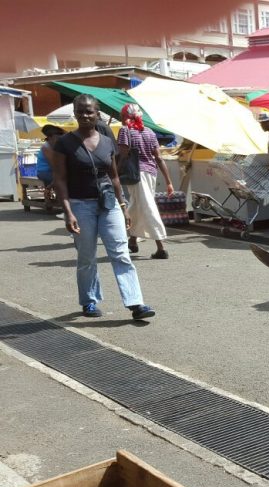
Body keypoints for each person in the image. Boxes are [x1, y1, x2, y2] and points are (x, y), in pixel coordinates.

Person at [51, 94, 156, 321]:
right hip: (80, 205)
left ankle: (136, 303)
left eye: (89, 111)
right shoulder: (65, 143)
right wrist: (68, 212)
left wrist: (123, 206)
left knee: (121, 253)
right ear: (75, 114)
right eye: (80, 111)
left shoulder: (108, 142)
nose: (84, 115)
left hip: (109, 204)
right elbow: (59, 179)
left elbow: (114, 177)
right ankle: (89, 301)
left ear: (97, 113)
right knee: (87, 256)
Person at [117, 103, 174, 259]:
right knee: (137, 205)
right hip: (151, 173)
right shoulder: (149, 132)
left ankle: (161, 246)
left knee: (147, 206)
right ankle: (133, 240)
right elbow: (159, 158)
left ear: (125, 117)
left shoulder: (125, 131)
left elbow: (122, 155)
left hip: (136, 174)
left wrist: (115, 172)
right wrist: (168, 181)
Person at [36, 124, 65, 192]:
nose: (59, 140)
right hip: (45, 172)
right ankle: (52, 194)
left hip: (52, 171)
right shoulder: (46, 147)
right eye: (57, 138)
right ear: (50, 137)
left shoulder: (55, 146)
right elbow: (54, 165)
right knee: (64, 179)